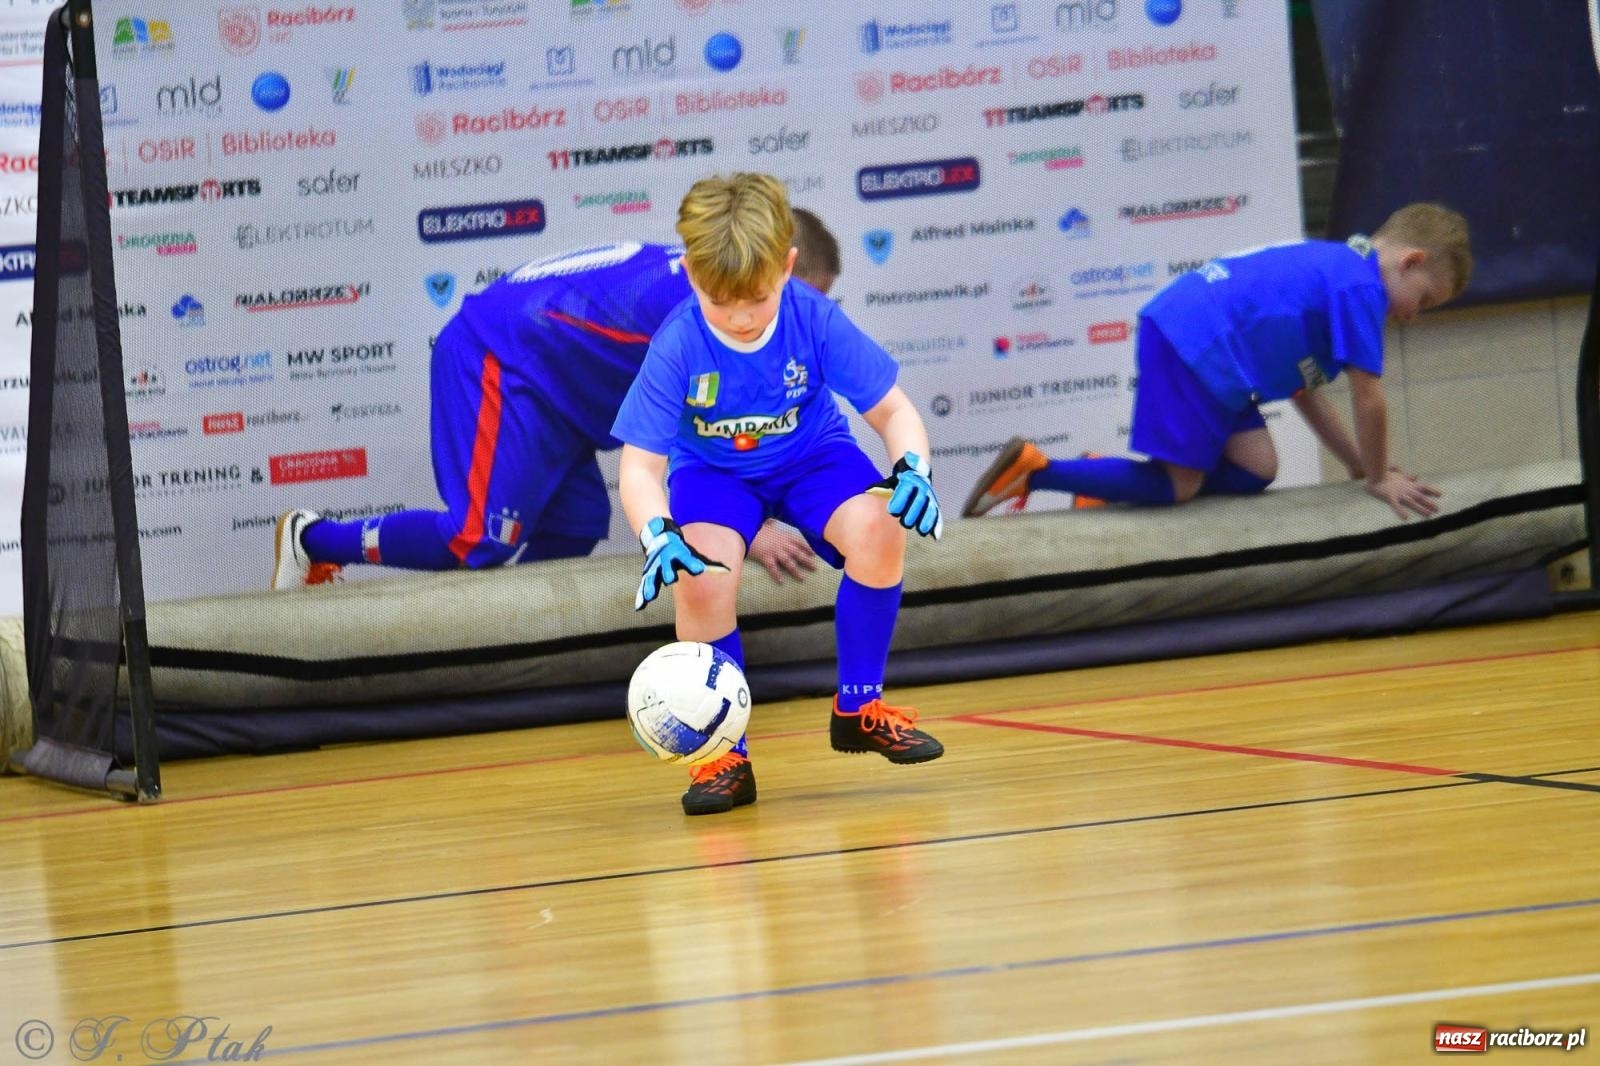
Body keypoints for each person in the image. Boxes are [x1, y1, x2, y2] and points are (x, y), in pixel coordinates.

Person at [270, 210, 842, 589]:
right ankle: (313, 539)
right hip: (499, 355)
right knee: (479, 539)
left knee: (576, 524)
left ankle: (512, 642)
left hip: (559, 383)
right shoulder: (698, 315)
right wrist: (756, 527)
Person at [612, 172, 946, 816]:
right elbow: (640, 470)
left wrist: (913, 471)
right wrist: (659, 535)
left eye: (758, 300)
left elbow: (894, 413)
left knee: (881, 527)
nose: (739, 317)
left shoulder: (815, 319)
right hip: (715, 476)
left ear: (787, 266)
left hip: (813, 456)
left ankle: (860, 707)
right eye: (720, 301)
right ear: (688, 273)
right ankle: (722, 760)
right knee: (702, 579)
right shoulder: (679, 342)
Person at [962, 202, 1473, 522]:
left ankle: (1111, 480)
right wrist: (1381, 477)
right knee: (1178, 487)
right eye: (1424, 301)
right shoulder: (1360, 288)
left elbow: (1305, 392)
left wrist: (1359, 464)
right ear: (1411, 262)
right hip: (1196, 342)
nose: (1414, 317)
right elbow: (1370, 398)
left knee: (1258, 469)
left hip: (1218, 357)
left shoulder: (1339, 274)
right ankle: (1039, 472)